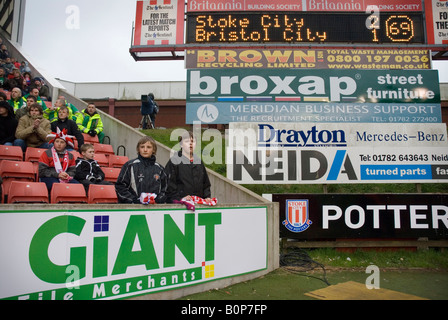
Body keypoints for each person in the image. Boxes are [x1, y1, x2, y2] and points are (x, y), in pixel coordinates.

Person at [115, 136, 167, 204]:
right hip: (133, 209)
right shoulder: (129, 166)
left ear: (153, 150)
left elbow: (166, 190)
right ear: (138, 149)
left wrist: (157, 200)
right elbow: (120, 187)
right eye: (142, 147)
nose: (145, 150)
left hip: (155, 209)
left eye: (148, 147)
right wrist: (134, 200)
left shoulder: (160, 169)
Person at [165, 131, 212, 204]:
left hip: (198, 206)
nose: (190, 144)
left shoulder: (199, 162)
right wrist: (180, 199)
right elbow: (169, 186)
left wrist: (207, 197)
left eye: (193, 141)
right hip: (180, 207)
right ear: (181, 144)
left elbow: (206, 185)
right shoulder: (174, 161)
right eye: (187, 141)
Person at [38, 128, 80, 193]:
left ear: (66, 145)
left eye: (62, 142)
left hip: (65, 177)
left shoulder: (70, 156)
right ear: (54, 142)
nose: (59, 144)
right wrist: (57, 175)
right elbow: (42, 171)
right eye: (57, 141)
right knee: (57, 186)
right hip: (49, 177)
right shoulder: (47, 153)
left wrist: (67, 175)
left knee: (78, 186)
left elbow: (73, 171)